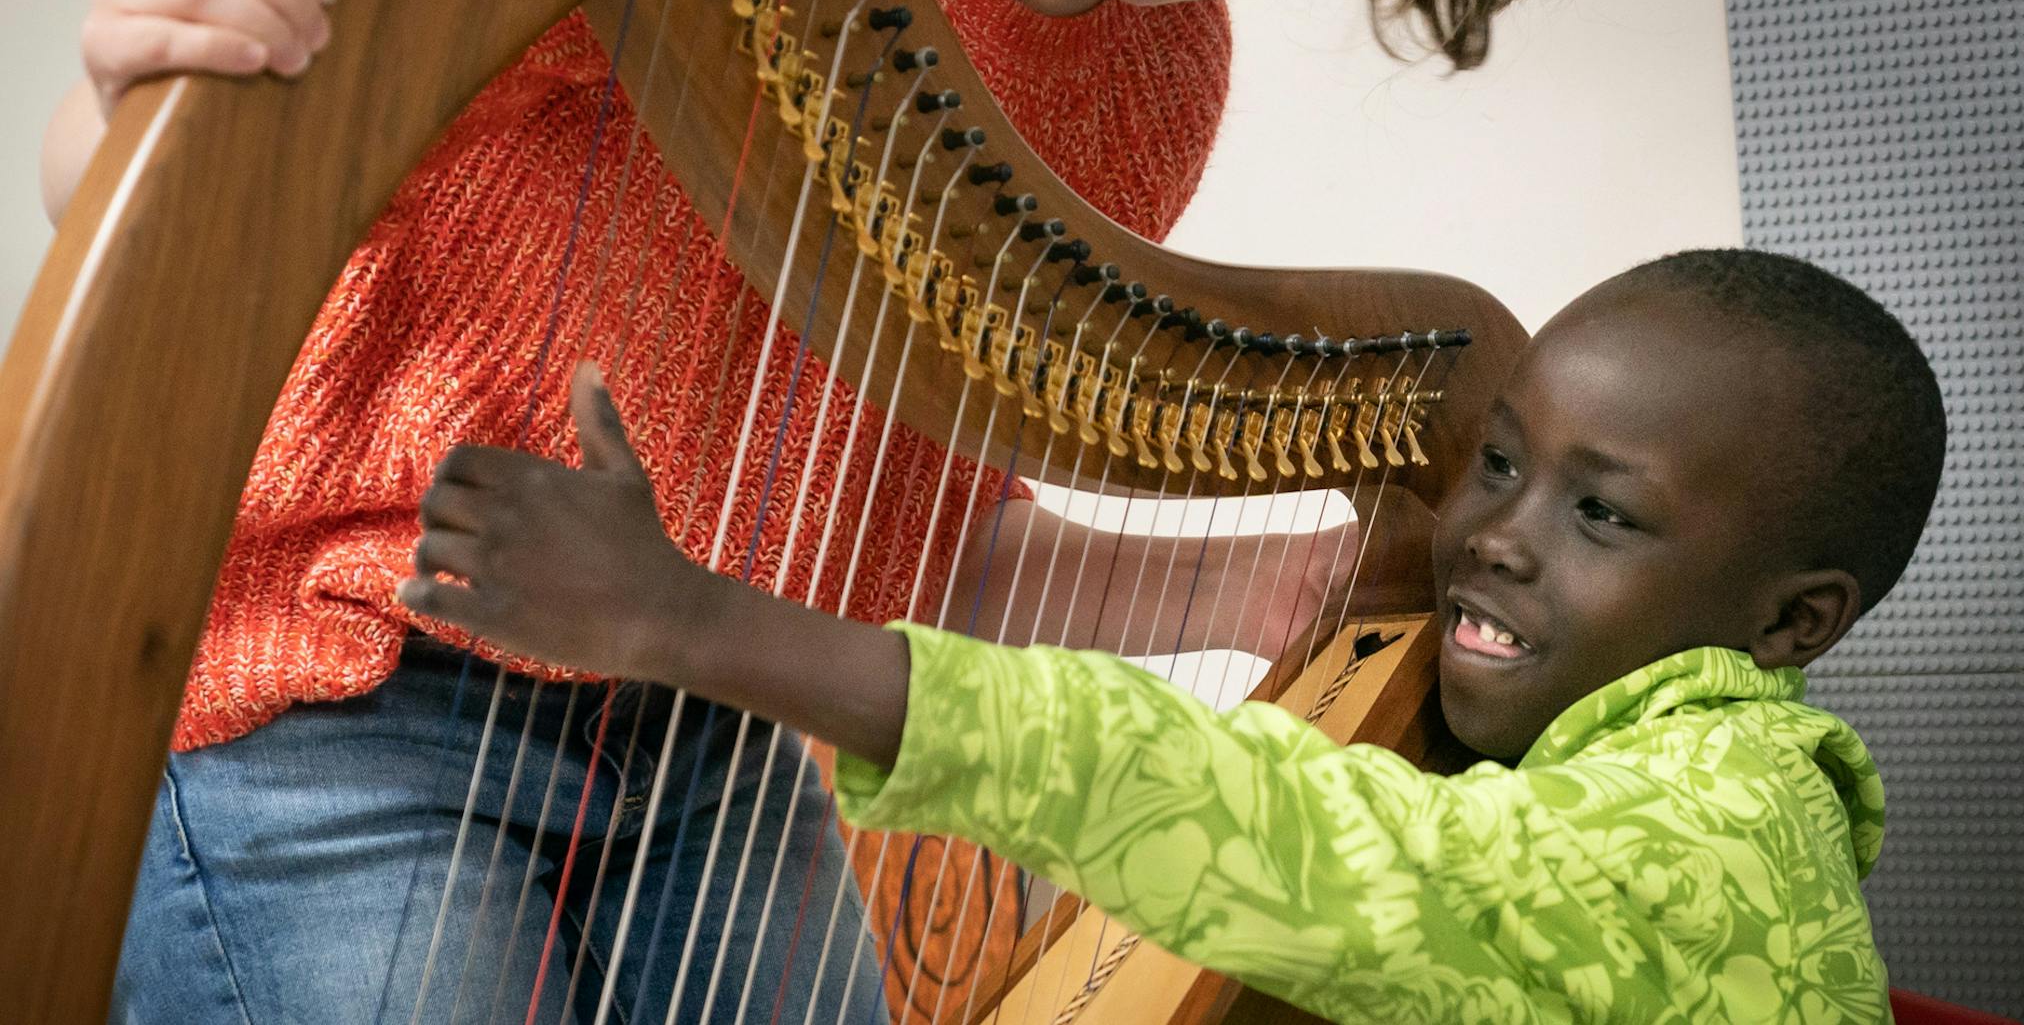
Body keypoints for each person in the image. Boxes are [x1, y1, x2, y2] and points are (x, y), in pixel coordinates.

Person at [40, 0, 1623, 1023]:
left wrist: (1235, 594)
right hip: (341, 685)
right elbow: (194, 208)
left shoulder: (1155, 79)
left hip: (702, 726)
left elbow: (875, 524)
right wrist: (139, 81)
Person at [407, 247, 1943, 1022]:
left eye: (1601, 517)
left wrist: (698, 622)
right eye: (1498, 462)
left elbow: (1335, 855)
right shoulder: (1584, 757)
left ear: (1790, 622)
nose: (1492, 536)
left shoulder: (1728, 826)